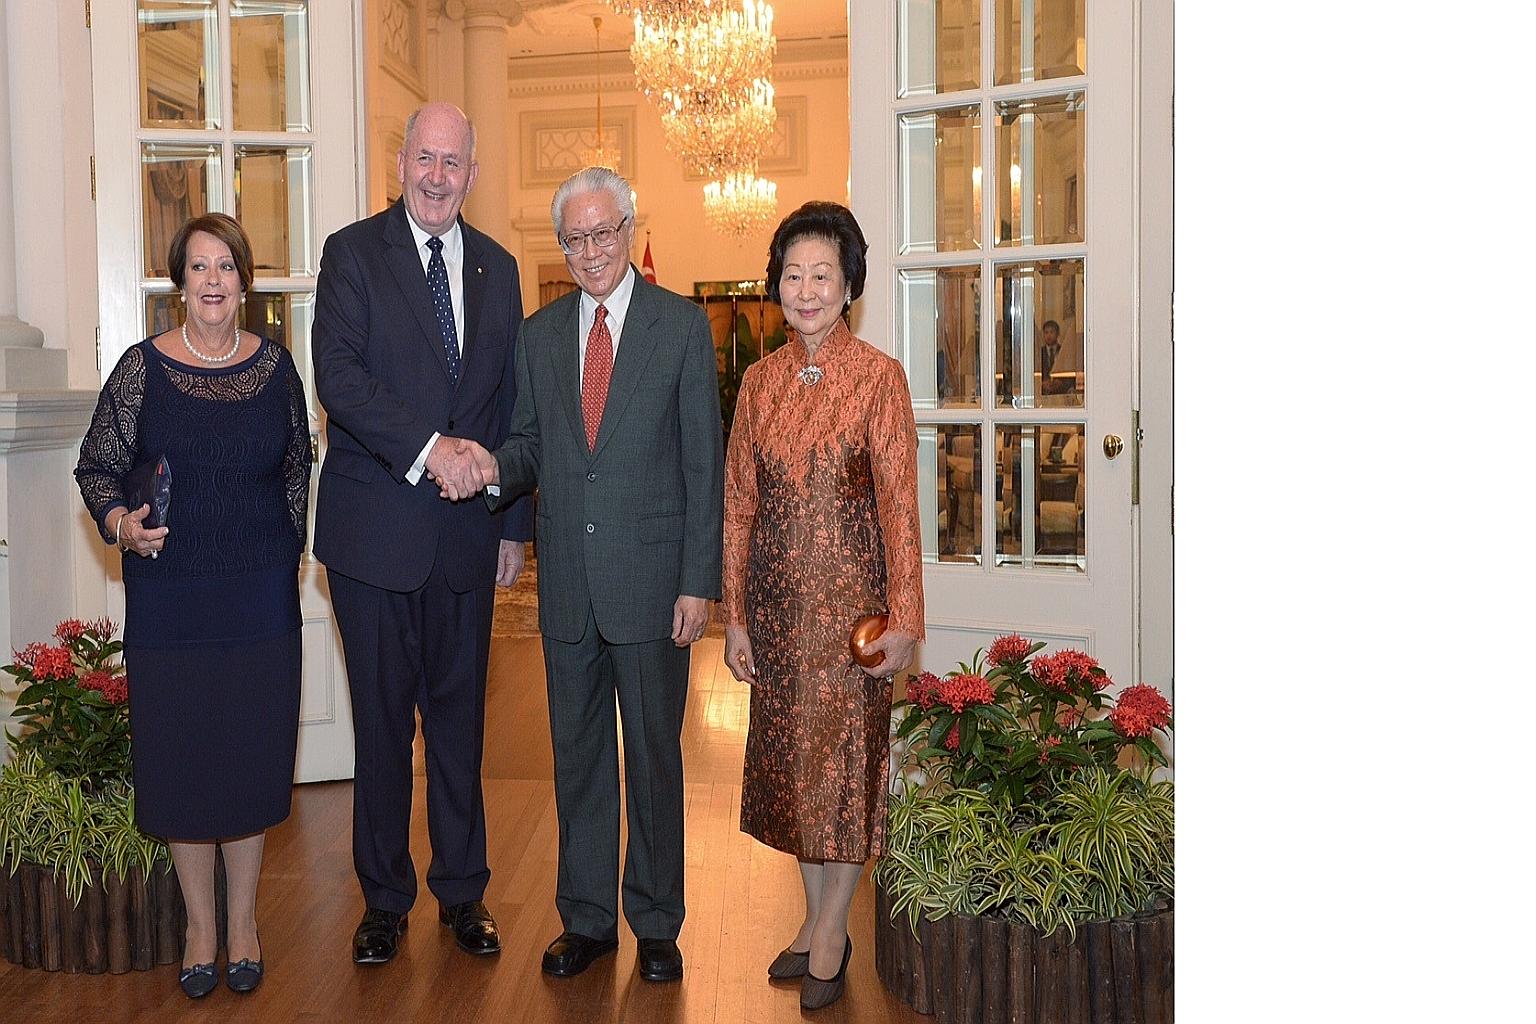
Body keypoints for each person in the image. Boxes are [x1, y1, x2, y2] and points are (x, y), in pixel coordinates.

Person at [458, 165, 723, 984]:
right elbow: (534, 446)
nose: (591, 250)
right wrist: (489, 466)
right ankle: (588, 921)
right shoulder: (540, 338)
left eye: (606, 233)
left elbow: (701, 465)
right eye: (575, 238)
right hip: (569, 589)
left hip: (653, 589)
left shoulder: (680, 328)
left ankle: (656, 922)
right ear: (563, 245)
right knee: (575, 761)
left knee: (652, 759)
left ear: (629, 231)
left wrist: (698, 581)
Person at [310, 102, 533, 965]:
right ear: (400, 163)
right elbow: (341, 379)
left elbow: (512, 401)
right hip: (374, 540)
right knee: (378, 727)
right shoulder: (352, 254)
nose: (439, 177)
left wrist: (512, 520)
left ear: (473, 175)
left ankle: (463, 893)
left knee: (460, 727)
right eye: (426, 159)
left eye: (455, 163)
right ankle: (384, 899)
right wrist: (430, 450)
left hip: (467, 543)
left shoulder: (500, 268)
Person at [74, 212, 312, 999]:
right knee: (181, 761)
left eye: (226, 267)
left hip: (258, 599)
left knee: (248, 756)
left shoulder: (277, 370)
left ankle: (242, 922)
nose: (213, 281)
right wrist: (120, 526)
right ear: (181, 282)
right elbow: (97, 469)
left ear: (245, 281)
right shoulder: (141, 370)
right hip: (170, 598)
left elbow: (294, 471)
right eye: (199, 267)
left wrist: (288, 555)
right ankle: (198, 927)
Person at [720, 201, 925, 1011]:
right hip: (775, 617)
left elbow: (900, 509)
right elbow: (738, 505)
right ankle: (813, 921)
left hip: (855, 625)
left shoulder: (879, 378)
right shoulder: (760, 383)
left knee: (843, 777)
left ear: (848, 289)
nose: (805, 291)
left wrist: (906, 617)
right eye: (793, 275)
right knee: (795, 778)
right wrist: (733, 614)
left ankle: (834, 930)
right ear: (779, 285)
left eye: (822, 276)